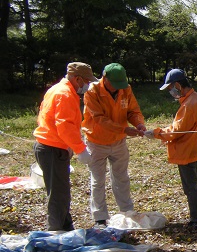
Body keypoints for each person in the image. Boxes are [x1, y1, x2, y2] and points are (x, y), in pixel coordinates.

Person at [33, 62, 97, 231]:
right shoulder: (65, 94)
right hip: (53, 148)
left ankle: (66, 227)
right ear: (78, 79)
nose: (88, 85)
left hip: (49, 146)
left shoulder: (56, 90)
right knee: (58, 194)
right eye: (87, 81)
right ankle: (55, 233)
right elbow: (65, 126)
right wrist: (80, 149)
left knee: (60, 191)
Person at [82, 63, 146, 228]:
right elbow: (100, 119)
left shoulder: (126, 89)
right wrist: (124, 129)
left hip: (118, 141)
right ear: (104, 78)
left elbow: (133, 111)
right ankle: (100, 217)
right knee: (98, 180)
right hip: (96, 142)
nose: (118, 88)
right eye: (114, 84)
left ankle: (127, 211)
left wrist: (139, 124)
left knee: (121, 177)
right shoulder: (92, 92)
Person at [145, 69, 197, 230]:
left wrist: (156, 133)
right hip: (189, 148)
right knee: (194, 185)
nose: (171, 92)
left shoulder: (189, 104)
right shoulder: (192, 98)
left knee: (190, 187)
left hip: (186, 150)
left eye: (171, 88)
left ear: (178, 85)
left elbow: (177, 130)